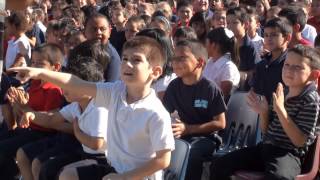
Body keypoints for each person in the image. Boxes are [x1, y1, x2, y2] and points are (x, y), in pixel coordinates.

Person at [10, 36, 175, 180]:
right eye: (124, 58)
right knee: (68, 176)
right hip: (114, 169)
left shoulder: (156, 112)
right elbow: (74, 82)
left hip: (138, 176)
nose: (127, 64)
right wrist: (38, 72)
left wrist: (125, 177)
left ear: (155, 71)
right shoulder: (115, 91)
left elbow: (163, 160)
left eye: (136, 60)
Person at [211, 44, 320, 180]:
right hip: (266, 147)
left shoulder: (310, 100)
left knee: (278, 177)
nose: (289, 70)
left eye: (297, 67)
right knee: (219, 164)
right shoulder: (283, 92)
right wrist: (263, 113)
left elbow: (299, 141)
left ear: (314, 74)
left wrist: (280, 110)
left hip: (288, 153)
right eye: (286, 65)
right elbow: (266, 131)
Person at [17, 57, 106, 180]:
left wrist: (77, 131)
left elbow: (96, 144)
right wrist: (32, 115)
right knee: (47, 168)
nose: (63, 88)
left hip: (102, 160)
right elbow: (51, 119)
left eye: (70, 84)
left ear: (87, 86)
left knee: (62, 173)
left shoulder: (98, 108)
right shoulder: (75, 106)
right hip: (85, 155)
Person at [163, 39, 226, 180]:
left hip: (206, 138)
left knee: (190, 154)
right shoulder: (174, 86)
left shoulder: (210, 88)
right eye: (174, 59)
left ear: (200, 62)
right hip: (182, 135)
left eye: (182, 58)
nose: (175, 63)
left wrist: (189, 129)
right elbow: (163, 113)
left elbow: (220, 123)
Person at [0, 44, 64, 180]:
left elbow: (50, 123)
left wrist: (24, 108)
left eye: (40, 64)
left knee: (4, 149)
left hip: (43, 134)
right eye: (33, 62)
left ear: (56, 67)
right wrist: (16, 102)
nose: (34, 67)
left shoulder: (53, 90)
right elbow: (22, 114)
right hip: (30, 129)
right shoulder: (35, 83)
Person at [251, 17, 292, 104]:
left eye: (274, 35)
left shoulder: (290, 64)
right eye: (266, 35)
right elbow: (255, 93)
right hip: (261, 112)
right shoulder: (261, 65)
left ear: (287, 38)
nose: (269, 38)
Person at [227, 7, 261, 91]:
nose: (230, 26)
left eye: (235, 23)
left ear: (245, 24)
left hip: (242, 91)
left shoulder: (250, 47)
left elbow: (255, 71)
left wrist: (239, 74)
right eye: (228, 23)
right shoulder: (226, 44)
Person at [204, 27, 240, 101]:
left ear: (213, 45)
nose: (205, 46)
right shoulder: (209, 61)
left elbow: (222, 97)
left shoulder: (228, 67)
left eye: (206, 42)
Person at [84, 13, 121, 82]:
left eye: (102, 29)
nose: (98, 32)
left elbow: (111, 87)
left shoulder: (112, 57)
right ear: (84, 31)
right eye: (94, 29)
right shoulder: (80, 50)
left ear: (109, 31)